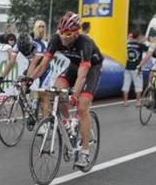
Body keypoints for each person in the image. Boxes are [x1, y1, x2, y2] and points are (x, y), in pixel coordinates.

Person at [29, 12, 103, 170]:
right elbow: (43, 65)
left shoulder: (85, 43)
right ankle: (69, 124)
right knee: (56, 92)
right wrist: (30, 79)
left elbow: (82, 76)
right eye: (61, 33)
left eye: (68, 34)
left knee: (82, 108)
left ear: (76, 33)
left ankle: (84, 152)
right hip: (73, 67)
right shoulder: (56, 39)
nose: (64, 37)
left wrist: (75, 95)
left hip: (91, 70)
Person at [123, 32, 147, 107]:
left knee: (126, 84)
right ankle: (138, 102)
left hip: (127, 66)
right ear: (138, 37)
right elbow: (150, 51)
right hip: (137, 67)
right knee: (138, 85)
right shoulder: (140, 45)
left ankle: (125, 102)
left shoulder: (127, 44)